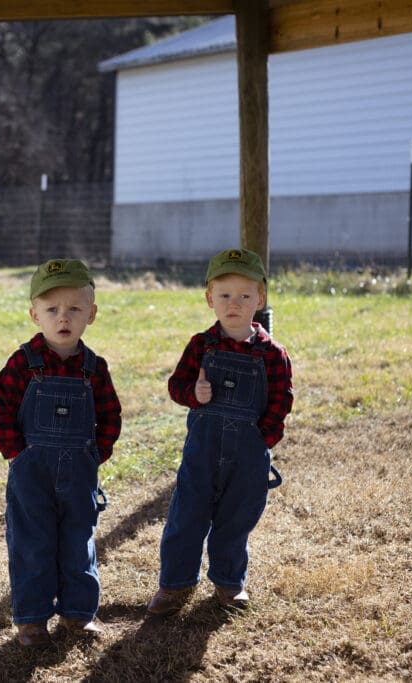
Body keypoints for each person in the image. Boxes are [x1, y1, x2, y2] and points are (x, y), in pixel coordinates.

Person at [147, 248, 293, 616]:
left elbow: (281, 399)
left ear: (259, 299)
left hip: (248, 453)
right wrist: (193, 394)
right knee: (187, 516)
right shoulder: (201, 345)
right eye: (225, 295)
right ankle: (174, 584)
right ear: (210, 298)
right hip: (203, 451)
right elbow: (176, 386)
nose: (234, 304)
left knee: (236, 518)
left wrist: (265, 438)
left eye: (245, 296)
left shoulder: (272, 354)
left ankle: (229, 583)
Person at [0, 258, 122, 647]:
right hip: (32, 470)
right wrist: (17, 453)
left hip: (79, 470)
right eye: (52, 310)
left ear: (91, 314)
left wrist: (95, 454)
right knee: (32, 542)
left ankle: (79, 615)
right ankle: (31, 619)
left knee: (78, 541)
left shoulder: (93, 369)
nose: (63, 318)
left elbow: (110, 414)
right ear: (35, 314)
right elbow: (3, 412)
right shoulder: (22, 364)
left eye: (74, 309)